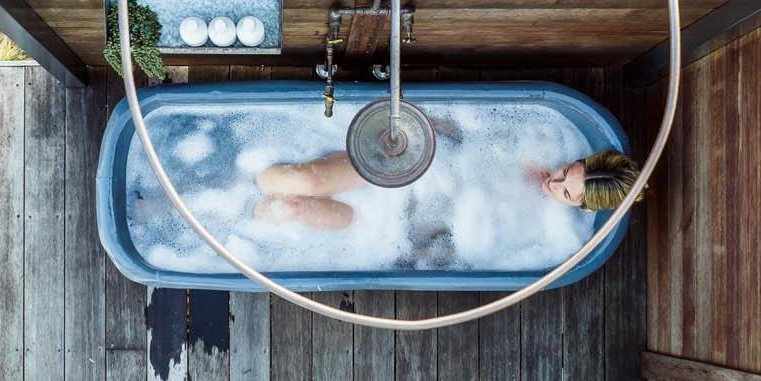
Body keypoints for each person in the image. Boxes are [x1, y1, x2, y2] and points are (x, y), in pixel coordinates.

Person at [253, 146, 641, 229]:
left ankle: (237, 214)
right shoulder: (538, 143)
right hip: (395, 170)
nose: (553, 182)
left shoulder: (542, 229)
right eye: (565, 171)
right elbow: (464, 138)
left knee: (292, 210)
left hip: (383, 224)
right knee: (301, 181)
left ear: (583, 208)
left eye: (566, 193)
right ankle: (250, 179)